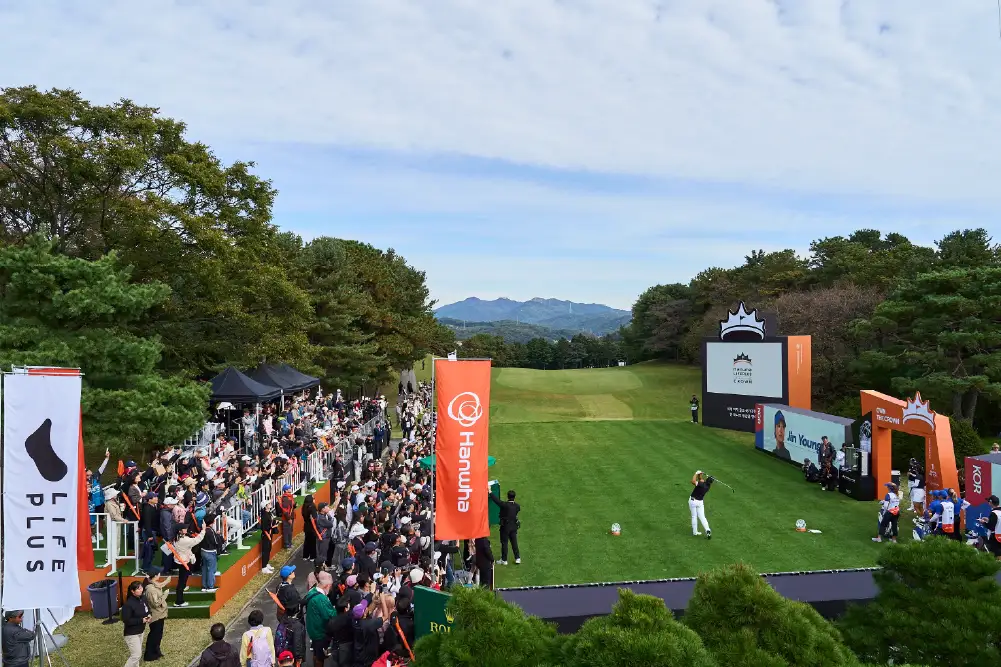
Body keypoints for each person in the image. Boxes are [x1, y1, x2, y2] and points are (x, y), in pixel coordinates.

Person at [304, 571, 337, 662]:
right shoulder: (321, 598)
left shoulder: (312, 591)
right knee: (320, 657)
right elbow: (330, 615)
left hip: (313, 629)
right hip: (320, 632)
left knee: (316, 654)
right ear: (327, 586)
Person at [170, 523, 206, 607]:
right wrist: (203, 530)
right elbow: (197, 540)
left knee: (182, 580)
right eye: (184, 528)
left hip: (180, 560)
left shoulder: (177, 538)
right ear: (180, 531)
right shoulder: (184, 540)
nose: (186, 529)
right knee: (181, 581)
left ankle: (182, 589)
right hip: (184, 562)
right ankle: (179, 601)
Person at [121, 580, 151, 667]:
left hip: (140, 631)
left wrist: (149, 615)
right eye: (138, 589)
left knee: (137, 655)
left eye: (141, 588)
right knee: (136, 655)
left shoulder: (143, 598)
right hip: (131, 634)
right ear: (132, 591)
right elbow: (126, 620)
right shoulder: (128, 604)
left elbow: (147, 609)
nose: (141, 590)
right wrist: (141, 620)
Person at [489, 487, 521, 565]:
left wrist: (490, 491)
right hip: (514, 526)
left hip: (505, 527)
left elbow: (496, 501)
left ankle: (504, 560)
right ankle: (517, 558)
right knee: (514, 543)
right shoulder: (517, 506)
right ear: (514, 497)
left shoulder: (504, 505)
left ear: (508, 496)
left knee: (504, 543)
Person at [142, 574, 169, 662]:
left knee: (158, 635)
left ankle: (156, 652)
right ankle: (149, 655)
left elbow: (160, 585)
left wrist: (167, 581)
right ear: (155, 576)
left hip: (160, 614)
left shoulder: (153, 584)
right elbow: (156, 603)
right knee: (154, 635)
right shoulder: (150, 589)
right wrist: (165, 595)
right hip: (155, 616)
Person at [200, 517, 223, 592]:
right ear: (212, 522)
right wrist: (218, 535)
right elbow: (215, 542)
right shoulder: (210, 531)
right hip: (210, 552)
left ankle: (204, 586)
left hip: (203, 551)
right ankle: (210, 587)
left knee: (204, 569)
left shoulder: (203, 530)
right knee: (211, 570)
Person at [689, 470, 713, 539]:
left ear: (706, 479)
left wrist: (696, 473)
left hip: (693, 501)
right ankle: (708, 529)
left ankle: (695, 532)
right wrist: (700, 475)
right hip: (700, 502)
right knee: (702, 517)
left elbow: (693, 481)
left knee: (694, 516)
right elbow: (700, 480)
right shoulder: (707, 486)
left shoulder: (701, 484)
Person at [980, 495, 1001, 561]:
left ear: (991, 503)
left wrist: (983, 522)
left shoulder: (994, 513)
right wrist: (989, 520)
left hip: (995, 537)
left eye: (989, 501)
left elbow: (991, 527)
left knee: (995, 554)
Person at [260, 501, 277, 575]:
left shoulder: (269, 513)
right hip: (266, 535)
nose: (270, 504)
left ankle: (266, 564)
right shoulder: (264, 515)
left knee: (269, 549)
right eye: (269, 504)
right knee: (265, 551)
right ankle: (264, 567)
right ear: (265, 506)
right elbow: (264, 527)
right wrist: (272, 526)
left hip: (270, 533)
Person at [280, 485, 296, 550]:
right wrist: (288, 518)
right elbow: (285, 510)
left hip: (290, 516)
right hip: (287, 518)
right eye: (289, 488)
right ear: (286, 490)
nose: (291, 489)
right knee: (287, 531)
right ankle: (287, 545)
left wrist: (294, 506)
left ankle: (290, 543)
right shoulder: (285, 498)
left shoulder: (289, 497)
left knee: (290, 531)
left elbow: (291, 507)